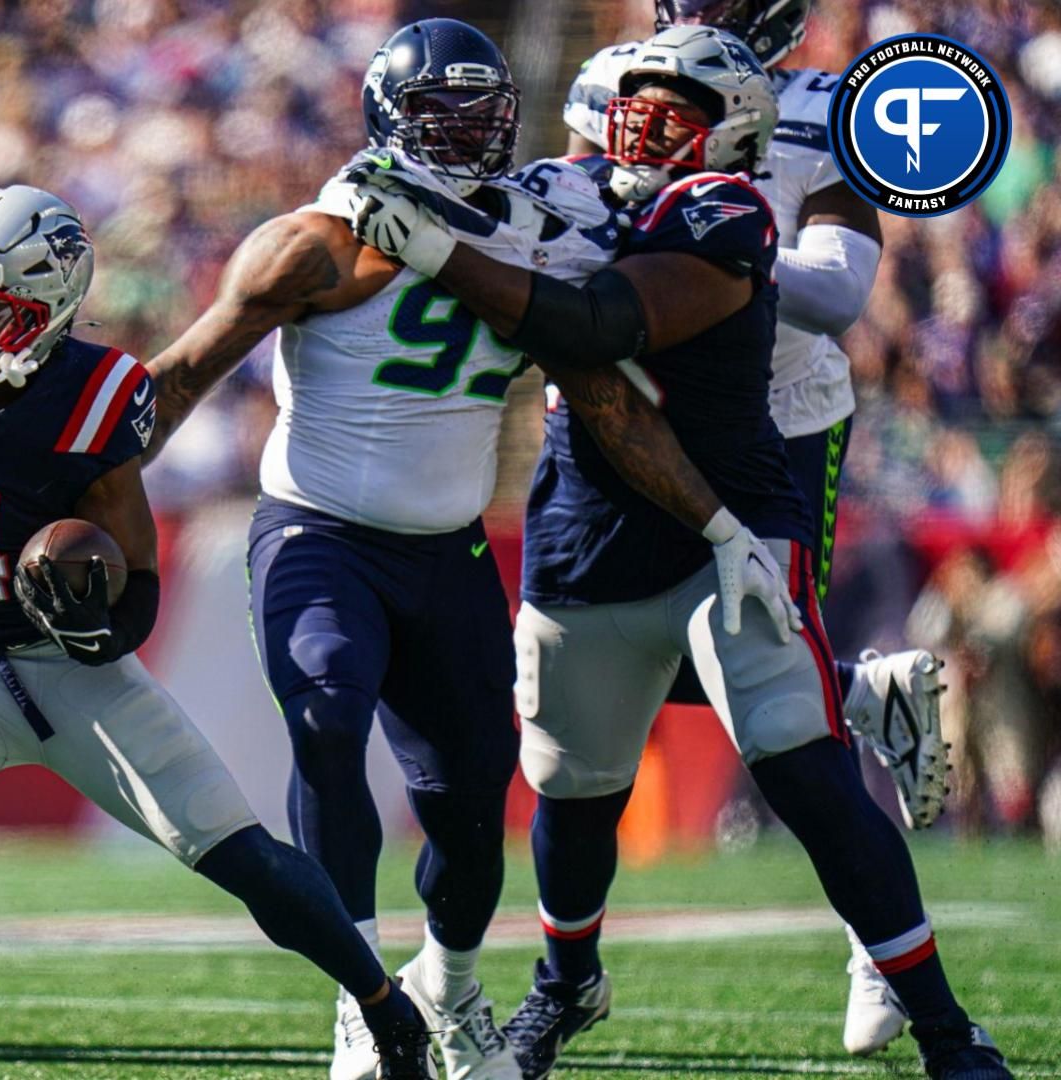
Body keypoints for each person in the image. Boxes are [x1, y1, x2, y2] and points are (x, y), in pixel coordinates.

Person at [350, 25, 1011, 1080]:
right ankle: (565, 987)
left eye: (680, 112)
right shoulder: (574, 190)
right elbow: (486, 203)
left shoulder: (731, 212)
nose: (645, 125)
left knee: (800, 761)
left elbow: (603, 320)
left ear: (734, 131)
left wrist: (443, 247)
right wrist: (402, 190)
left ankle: (946, 1029)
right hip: (586, 527)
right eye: (637, 103)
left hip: (732, 525)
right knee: (572, 784)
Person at [147, 19, 795, 1080]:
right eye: (438, 113)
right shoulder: (317, 236)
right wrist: (85, 483)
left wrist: (720, 523)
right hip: (318, 532)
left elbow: (606, 398)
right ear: (388, 120)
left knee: (469, 799)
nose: (462, 133)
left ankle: (447, 987)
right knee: (326, 707)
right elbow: (181, 373)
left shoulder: (528, 235)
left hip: (445, 553)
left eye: (482, 114)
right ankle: (361, 997)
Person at [0, 184, 437, 1080]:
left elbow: (137, 589)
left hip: (64, 670)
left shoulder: (95, 394)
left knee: (244, 857)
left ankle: (388, 1008)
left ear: (49, 316)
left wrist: (90, 629)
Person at [564, 2, 944, 1052]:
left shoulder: (829, 107)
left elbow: (837, 293)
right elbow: (553, 222)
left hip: (775, 423)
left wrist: (709, 258)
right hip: (629, 413)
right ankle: (866, 692)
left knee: (775, 702)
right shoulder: (611, 78)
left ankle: (881, 938)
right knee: (605, 663)